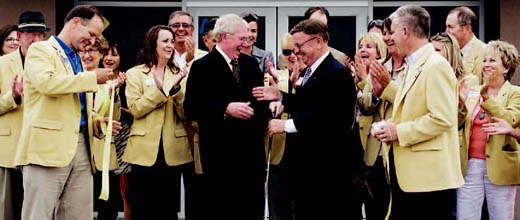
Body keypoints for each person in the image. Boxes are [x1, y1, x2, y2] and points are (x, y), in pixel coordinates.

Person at [14, 5, 113, 220]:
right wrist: (93, 77)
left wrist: (97, 123)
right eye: (91, 34)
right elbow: (47, 84)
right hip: (46, 150)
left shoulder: (77, 59)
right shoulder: (40, 50)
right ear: (76, 22)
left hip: (83, 149)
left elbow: (75, 106)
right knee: (37, 215)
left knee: (79, 216)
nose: (93, 41)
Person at [371, 5, 464, 219]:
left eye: (392, 32)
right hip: (410, 178)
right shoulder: (413, 65)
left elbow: (443, 119)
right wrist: (386, 127)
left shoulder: (435, 66)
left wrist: (398, 132)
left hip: (429, 182)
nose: (389, 39)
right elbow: (411, 109)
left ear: (405, 32)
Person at [263, 19, 358, 219]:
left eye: (299, 45)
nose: (295, 52)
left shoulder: (337, 73)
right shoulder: (310, 71)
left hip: (326, 173)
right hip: (307, 172)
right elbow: (311, 103)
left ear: (319, 41)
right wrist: (282, 97)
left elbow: (331, 118)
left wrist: (287, 125)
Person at [184, 14, 270, 219]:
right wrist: (225, 108)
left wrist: (271, 105)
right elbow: (191, 108)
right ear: (224, 37)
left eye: (248, 38)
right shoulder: (202, 66)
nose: (246, 43)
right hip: (220, 158)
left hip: (252, 158)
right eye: (242, 38)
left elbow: (259, 103)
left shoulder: (250, 64)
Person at [123, 25, 189, 220]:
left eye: (171, 41)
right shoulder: (135, 74)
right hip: (144, 150)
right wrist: (158, 91)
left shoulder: (180, 73)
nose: (170, 45)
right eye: (165, 41)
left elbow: (186, 113)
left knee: (168, 208)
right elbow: (135, 109)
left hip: (172, 149)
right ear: (153, 43)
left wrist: (176, 91)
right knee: (142, 206)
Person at [457, 40, 520, 220]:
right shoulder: (472, 91)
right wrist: (461, 105)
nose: (486, 65)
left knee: (501, 217)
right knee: (465, 217)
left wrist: (487, 100)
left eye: (492, 61)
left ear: (507, 67)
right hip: (469, 166)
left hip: (500, 166)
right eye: (484, 61)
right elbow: (459, 124)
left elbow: (510, 120)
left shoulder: (515, 93)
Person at [0, 10, 49, 220]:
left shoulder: (52, 63)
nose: (36, 39)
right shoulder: (2, 64)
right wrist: (13, 96)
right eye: (30, 34)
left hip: (41, 149)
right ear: (19, 37)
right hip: (11, 148)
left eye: (40, 34)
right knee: (8, 210)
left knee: (38, 212)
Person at [357, 17, 404, 220]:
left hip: (398, 147)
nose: (363, 50)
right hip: (372, 151)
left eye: (369, 46)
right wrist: (375, 92)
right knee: (374, 207)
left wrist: (386, 87)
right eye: (361, 46)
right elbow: (366, 105)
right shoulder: (375, 71)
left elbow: (406, 103)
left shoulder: (406, 69)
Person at [79, 36, 125, 220]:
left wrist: (113, 92)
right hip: (77, 149)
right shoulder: (72, 78)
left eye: (93, 51)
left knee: (107, 205)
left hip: (102, 150)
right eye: (83, 51)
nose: (87, 55)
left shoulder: (111, 83)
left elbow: (116, 117)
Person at [265, 33, 306, 220]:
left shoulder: (313, 77)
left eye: (296, 51)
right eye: (287, 52)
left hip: (305, 156)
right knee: (278, 211)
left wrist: (297, 86)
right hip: (278, 156)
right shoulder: (273, 78)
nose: (292, 56)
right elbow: (265, 110)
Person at [104, 42, 134, 220]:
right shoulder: (93, 77)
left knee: (126, 188)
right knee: (103, 184)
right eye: (106, 54)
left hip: (124, 134)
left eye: (114, 54)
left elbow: (133, 109)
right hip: (100, 134)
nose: (109, 58)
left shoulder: (127, 79)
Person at [446, 6, 486, 84]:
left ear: (467, 28)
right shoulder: (446, 52)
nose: (446, 32)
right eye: (446, 26)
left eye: (450, 27)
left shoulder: (486, 53)